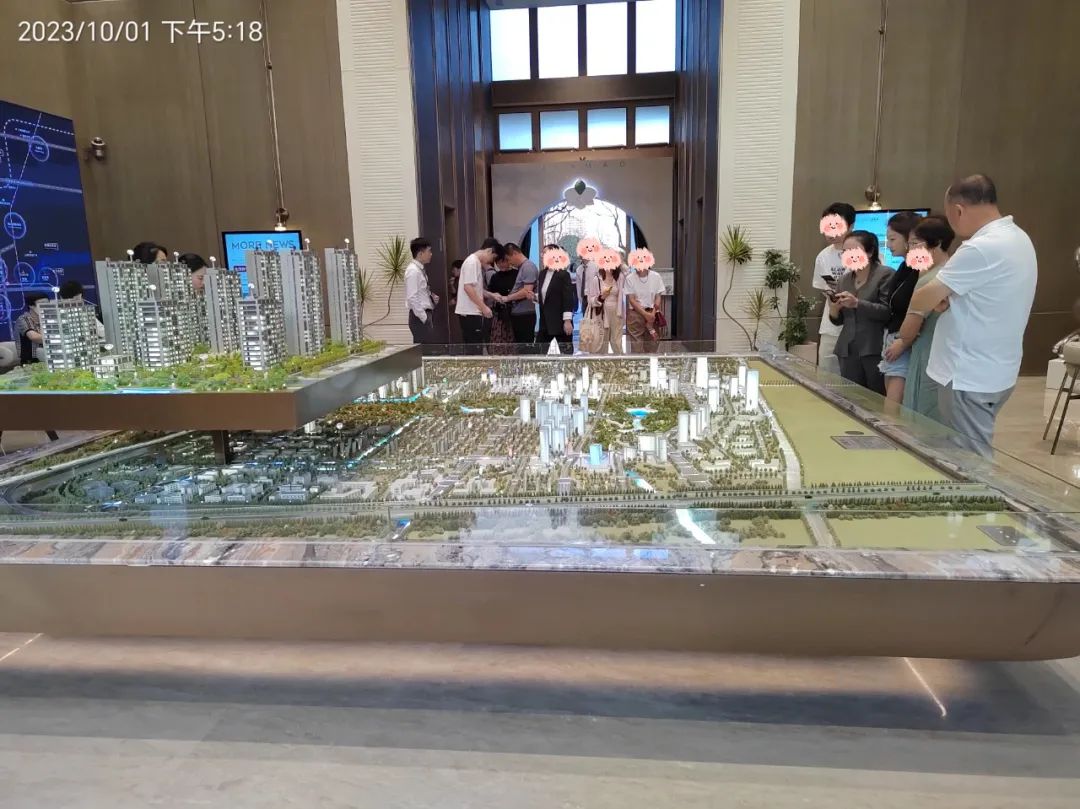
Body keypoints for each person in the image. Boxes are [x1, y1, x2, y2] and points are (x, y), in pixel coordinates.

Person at [896, 174, 1037, 456]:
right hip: (997, 368)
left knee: (971, 458)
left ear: (958, 210)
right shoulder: (1018, 237)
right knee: (964, 449)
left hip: (966, 373)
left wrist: (936, 299)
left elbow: (923, 297)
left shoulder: (980, 247)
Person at [886, 215, 955, 423]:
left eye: (916, 243)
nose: (911, 249)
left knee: (922, 416)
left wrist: (902, 339)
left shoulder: (930, 279)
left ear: (937, 243)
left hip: (929, 354)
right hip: (950, 355)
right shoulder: (954, 271)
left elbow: (908, 330)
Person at [828, 230, 891, 394]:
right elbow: (838, 320)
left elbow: (887, 312)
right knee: (851, 397)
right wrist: (834, 310)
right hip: (847, 348)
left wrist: (857, 303)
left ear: (869, 252)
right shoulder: (844, 280)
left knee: (876, 398)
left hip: (874, 347)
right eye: (845, 252)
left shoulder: (885, 274)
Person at [878, 211, 923, 410]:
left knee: (893, 405)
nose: (889, 244)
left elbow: (919, 311)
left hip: (903, 339)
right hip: (892, 336)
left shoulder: (920, 269)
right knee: (890, 394)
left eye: (893, 239)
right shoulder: (905, 266)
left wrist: (904, 341)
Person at [813, 203, 856, 374]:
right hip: (830, 326)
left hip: (858, 327)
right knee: (826, 375)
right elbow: (822, 286)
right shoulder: (823, 256)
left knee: (854, 377)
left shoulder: (867, 254)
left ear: (850, 226)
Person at [454, 238, 500, 353]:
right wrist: (484, 307)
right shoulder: (472, 262)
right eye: (493, 258)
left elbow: (475, 288)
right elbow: (468, 288)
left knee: (475, 347)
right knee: (474, 348)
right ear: (489, 250)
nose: (490, 261)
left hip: (472, 312)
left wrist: (491, 295)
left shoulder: (475, 262)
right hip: (470, 312)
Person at [536, 243, 576, 355]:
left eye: (545, 253)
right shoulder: (542, 274)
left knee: (565, 352)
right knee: (539, 351)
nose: (542, 255)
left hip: (560, 321)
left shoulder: (563, 275)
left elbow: (568, 298)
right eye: (542, 253)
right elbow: (546, 295)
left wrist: (567, 321)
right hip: (545, 321)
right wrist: (535, 297)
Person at [501, 243, 540, 352]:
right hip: (519, 313)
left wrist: (508, 298)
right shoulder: (523, 267)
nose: (509, 263)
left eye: (509, 259)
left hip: (525, 314)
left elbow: (527, 290)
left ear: (514, 253)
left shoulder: (528, 267)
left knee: (525, 347)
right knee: (520, 347)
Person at [624, 256, 665, 353]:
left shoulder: (656, 276)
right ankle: (638, 363)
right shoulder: (630, 278)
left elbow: (658, 297)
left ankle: (650, 363)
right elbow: (632, 300)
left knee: (652, 345)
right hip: (635, 314)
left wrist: (652, 314)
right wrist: (645, 314)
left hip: (652, 313)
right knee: (636, 347)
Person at [585, 260, 626, 354]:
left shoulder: (620, 277)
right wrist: (601, 297)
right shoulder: (597, 279)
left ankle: (619, 362)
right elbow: (590, 300)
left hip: (616, 312)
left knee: (617, 342)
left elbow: (627, 272)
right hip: (601, 314)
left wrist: (621, 264)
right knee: (602, 341)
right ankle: (601, 362)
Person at [404, 237, 438, 345]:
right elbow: (412, 297)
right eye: (429, 251)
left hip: (423, 315)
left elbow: (420, 291)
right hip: (419, 317)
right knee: (424, 350)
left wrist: (431, 297)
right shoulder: (413, 271)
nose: (431, 254)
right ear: (420, 253)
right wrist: (424, 317)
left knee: (427, 349)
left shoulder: (419, 270)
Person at [485, 246, 518, 354]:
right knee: (499, 342)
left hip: (515, 311)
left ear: (508, 261)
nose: (501, 264)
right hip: (500, 313)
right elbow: (490, 292)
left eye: (503, 261)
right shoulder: (495, 276)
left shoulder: (516, 274)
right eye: (498, 262)